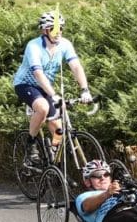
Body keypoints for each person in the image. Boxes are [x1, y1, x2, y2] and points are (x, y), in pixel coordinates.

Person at [13, 10, 91, 155]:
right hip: (25, 84)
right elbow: (38, 73)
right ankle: (31, 143)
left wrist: (84, 89)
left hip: (45, 87)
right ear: (44, 30)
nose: (58, 32)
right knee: (42, 108)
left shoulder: (65, 44)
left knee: (58, 129)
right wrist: (53, 94)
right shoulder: (34, 46)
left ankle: (54, 158)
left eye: (60, 28)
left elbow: (75, 66)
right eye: (53, 29)